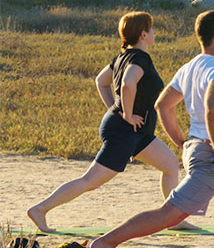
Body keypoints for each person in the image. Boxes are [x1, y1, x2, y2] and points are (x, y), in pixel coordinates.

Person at [88, 11, 214, 248]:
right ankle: (107, 242)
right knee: (170, 214)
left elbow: (163, 105)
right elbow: (212, 107)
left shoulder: (190, 67)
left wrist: (182, 143)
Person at [27, 12, 193, 233]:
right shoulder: (139, 59)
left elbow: (101, 81)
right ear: (143, 34)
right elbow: (127, 84)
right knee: (90, 181)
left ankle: (173, 219)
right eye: (152, 30)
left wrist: (114, 108)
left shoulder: (122, 57)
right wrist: (124, 113)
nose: (154, 33)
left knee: (170, 165)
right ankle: (40, 209)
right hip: (125, 130)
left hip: (137, 131)